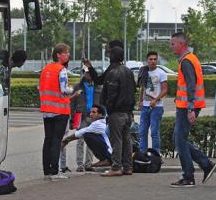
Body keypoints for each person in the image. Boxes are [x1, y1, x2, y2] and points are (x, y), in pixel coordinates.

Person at [169, 32, 216, 187]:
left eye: (173, 44)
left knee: (179, 140)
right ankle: (205, 164)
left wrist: (190, 108)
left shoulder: (186, 61)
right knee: (177, 139)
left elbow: (191, 86)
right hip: (187, 106)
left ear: (182, 44)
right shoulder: (191, 58)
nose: (171, 47)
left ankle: (189, 176)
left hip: (187, 108)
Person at [39, 43, 79, 181]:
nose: (68, 55)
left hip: (47, 110)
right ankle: (55, 171)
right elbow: (64, 89)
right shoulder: (61, 70)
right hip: (60, 110)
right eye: (66, 52)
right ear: (58, 54)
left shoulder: (46, 69)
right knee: (57, 140)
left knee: (48, 140)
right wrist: (72, 88)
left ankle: (47, 172)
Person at [100, 47, 136, 177]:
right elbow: (133, 91)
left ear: (113, 56)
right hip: (128, 112)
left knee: (117, 140)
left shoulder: (113, 72)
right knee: (127, 140)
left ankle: (116, 167)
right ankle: (128, 167)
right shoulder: (128, 71)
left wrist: (108, 109)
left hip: (116, 111)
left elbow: (111, 94)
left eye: (110, 54)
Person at [70, 68, 102, 172]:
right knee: (80, 140)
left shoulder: (98, 87)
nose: (88, 75)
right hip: (82, 116)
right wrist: (72, 118)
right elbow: (72, 104)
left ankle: (88, 164)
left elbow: (102, 103)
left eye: (90, 73)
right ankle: (80, 165)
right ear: (83, 74)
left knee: (92, 141)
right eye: (86, 73)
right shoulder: (78, 87)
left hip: (94, 117)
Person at [138, 51, 168, 154]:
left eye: (155, 59)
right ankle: (143, 154)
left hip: (157, 107)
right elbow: (142, 88)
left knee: (154, 132)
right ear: (147, 60)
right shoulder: (143, 71)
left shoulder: (161, 73)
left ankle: (156, 155)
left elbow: (164, 90)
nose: (153, 61)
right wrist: (140, 101)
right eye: (151, 59)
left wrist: (156, 100)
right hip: (145, 107)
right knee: (142, 132)